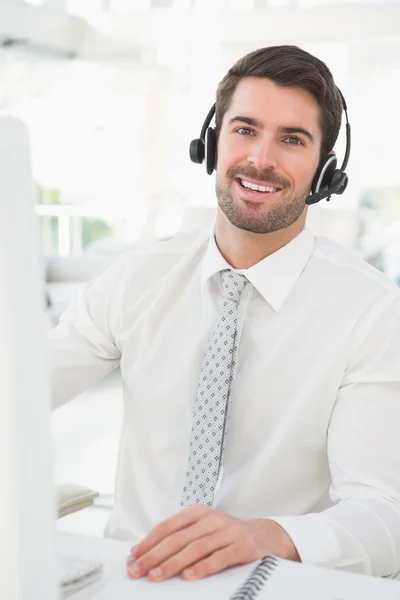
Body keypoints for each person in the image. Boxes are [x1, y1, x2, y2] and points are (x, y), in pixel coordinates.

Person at [48, 45, 400, 584]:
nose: (261, 159)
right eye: (244, 129)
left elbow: (385, 517)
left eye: (292, 139)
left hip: (271, 582)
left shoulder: (371, 313)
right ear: (210, 142)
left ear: (327, 170)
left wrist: (267, 535)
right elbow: (20, 391)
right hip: (130, 578)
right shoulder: (138, 277)